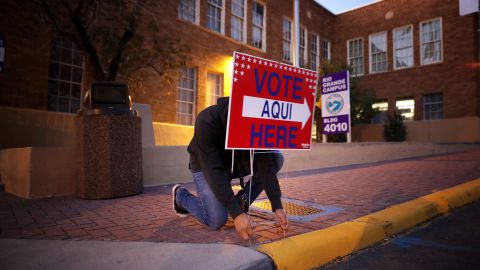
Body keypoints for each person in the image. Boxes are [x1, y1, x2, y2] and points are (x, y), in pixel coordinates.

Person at [172, 97, 289, 240]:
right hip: (206, 167)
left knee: (276, 157)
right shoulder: (207, 121)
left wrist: (277, 205)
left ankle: (239, 203)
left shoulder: (256, 119)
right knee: (216, 221)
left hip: (235, 165)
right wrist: (237, 214)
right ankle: (180, 195)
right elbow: (214, 172)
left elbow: (263, 164)